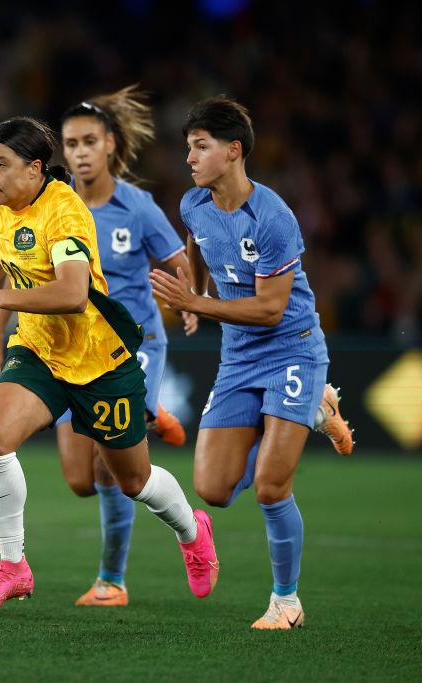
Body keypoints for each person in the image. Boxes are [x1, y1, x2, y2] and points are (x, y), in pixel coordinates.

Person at [0, 116, 218, 613]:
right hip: (39, 351)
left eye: (0, 165)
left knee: (133, 481)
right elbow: (7, 250)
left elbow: (72, 294)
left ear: (35, 168)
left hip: (99, 361)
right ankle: (13, 567)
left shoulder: (66, 215)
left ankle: (191, 529)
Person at [150, 96, 351, 629]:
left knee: (269, 486)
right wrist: (192, 286)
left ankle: (287, 602)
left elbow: (270, 308)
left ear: (233, 150)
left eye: (200, 147)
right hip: (238, 356)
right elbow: (196, 245)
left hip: (292, 348)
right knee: (212, 490)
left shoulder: (274, 217)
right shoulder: (193, 204)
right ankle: (314, 411)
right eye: (187, 147)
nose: (189, 158)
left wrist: (196, 304)